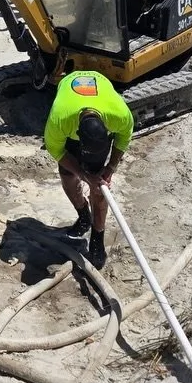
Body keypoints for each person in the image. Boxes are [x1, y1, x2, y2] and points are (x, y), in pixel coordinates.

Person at [43, 70, 135, 269]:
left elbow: (124, 138)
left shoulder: (119, 115)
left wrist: (110, 168)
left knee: (98, 187)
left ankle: (97, 237)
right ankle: (84, 216)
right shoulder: (60, 119)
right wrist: (82, 174)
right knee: (68, 177)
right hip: (70, 114)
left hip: (97, 119)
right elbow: (56, 150)